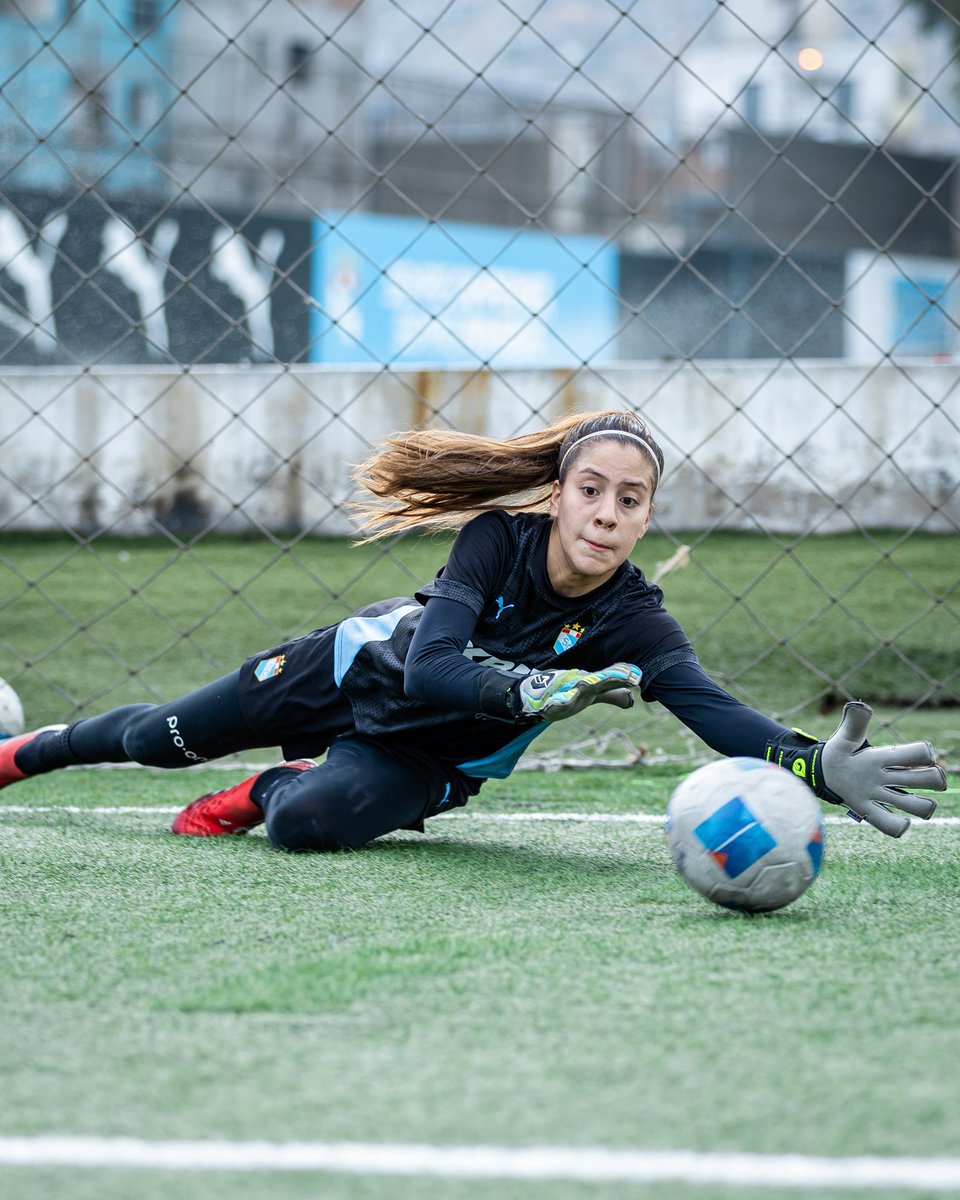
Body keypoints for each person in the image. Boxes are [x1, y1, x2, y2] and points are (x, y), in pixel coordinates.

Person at [0, 410, 945, 847]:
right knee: (158, 740)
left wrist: (813, 765)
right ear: (559, 494)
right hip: (348, 672)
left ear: (647, 517)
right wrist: (531, 689)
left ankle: (280, 781)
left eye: (631, 499)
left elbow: (710, 709)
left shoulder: (635, 623)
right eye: (591, 491)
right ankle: (24, 753)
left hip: (425, 762)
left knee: (308, 827)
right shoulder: (496, 540)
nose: (606, 513)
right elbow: (431, 666)